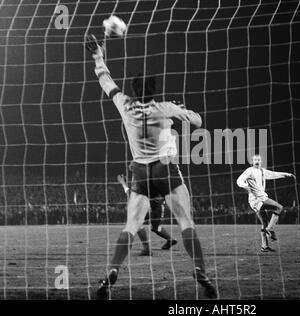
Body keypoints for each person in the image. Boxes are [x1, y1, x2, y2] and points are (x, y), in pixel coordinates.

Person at [85, 34, 216, 299]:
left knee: (131, 225)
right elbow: (198, 122)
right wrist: (183, 110)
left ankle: (112, 270)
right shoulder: (164, 108)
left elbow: (105, 80)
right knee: (185, 220)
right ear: (153, 88)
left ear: (133, 89)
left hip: (139, 173)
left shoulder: (124, 104)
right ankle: (201, 269)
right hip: (165, 169)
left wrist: (98, 55)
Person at [236, 154, 295, 252]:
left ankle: (264, 246)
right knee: (279, 207)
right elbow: (239, 180)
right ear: (252, 161)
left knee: (264, 222)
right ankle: (270, 229)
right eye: (255, 159)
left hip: (261, 199)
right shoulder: (249, 171)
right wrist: (246, 186)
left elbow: (274, 174)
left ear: (261, 161)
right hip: (256, 199)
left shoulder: (263, 171)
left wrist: (287, 174)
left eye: (258, 159)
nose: (257, 161)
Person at [117, 174, 177, 255]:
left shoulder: (139, 176)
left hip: (152, 205)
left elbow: (131, 194)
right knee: (154, 227)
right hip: (156, 205)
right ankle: (170, 240)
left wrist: (123, 183)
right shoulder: (146, 174)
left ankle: (146, 249)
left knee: (137, 222)